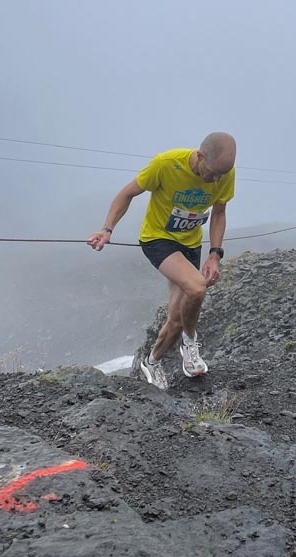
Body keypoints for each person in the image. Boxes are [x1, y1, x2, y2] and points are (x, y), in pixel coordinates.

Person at [87, 133, 236, 390]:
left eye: (222, 175)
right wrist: (107, 229)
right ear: (200, 157)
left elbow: (219, 213)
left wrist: (214, 254)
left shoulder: (224, 173)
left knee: (177, 318)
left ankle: (152, 361)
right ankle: (190, 342)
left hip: (190, 243)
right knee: (197, 287)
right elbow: (126, 194)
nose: (216, 180)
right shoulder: (166, 164)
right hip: (158, 239)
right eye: (212, 173)